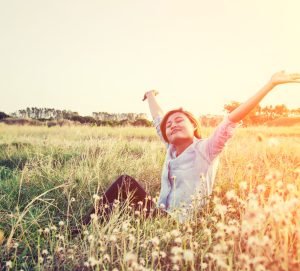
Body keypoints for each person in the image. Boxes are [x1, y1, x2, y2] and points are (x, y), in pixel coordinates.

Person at [83, 71, 300, 225]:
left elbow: (232, 119)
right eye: (169, 125)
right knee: (122, 194)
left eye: (179, 120)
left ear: (193, 125)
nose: (172, 125)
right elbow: (159, 119)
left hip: (177, 224)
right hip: (158, 215)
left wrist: (270, 85)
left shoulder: (206, 150)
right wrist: (150, 95)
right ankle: (90, 228)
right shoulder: (170, 147)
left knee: (125, 183)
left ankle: (81, 230)